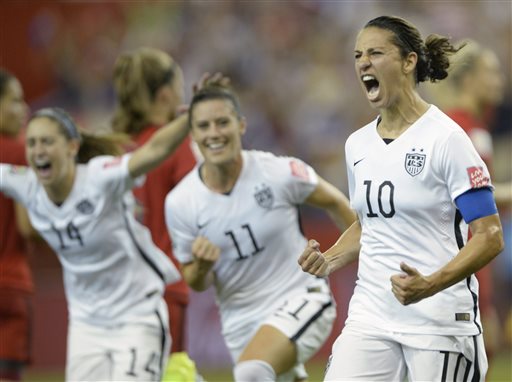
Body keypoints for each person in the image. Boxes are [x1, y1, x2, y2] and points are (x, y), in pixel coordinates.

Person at [299, 15, 504, 381]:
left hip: (438, 322)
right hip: (371, 316)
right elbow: (369, 225)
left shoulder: (448, 139)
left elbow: (489, 235)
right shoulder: (357, 145)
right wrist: (328, 260)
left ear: (409, 62)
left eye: (376, 52)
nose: (364, 61)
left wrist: (430, 284)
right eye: (359, 54)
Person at [164, 83, 356, 381]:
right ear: (193, 134)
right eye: (203, 125)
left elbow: (336, 202)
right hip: (240, 323)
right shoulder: (180, 202)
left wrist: (362, 256)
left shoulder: (278, 172)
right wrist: (201, 266)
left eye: (222, 122)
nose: (214, 133)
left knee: (251, 371)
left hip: (299, 295)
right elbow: (196, 281)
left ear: (241, 125)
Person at [0, 105, 190, 381]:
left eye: (47, 141)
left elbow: (153, 152)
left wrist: (188, 118)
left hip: (137, 315)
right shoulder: (26, 185)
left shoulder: (100, 178)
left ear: (72, 147)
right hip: (86, 325)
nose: (38, 150)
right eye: (31, 143)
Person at [111, 47, 198, 379]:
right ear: (165, 95)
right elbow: (199, 206)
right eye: (178, 85)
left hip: (117, 291)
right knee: (171, 373)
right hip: (164, 285)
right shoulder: (175, 147)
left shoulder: (114, 148)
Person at [427, 39, 511, 359]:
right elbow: (472, 197)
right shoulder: (458, 129)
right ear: (469, 78)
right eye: (491, 72)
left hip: (473, 256)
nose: (499, 80)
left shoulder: (473, 126)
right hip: (460, 257)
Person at [0, 69, 32, 381]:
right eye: (14, 100)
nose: (24, 109)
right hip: (10, 284)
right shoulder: (21, 151)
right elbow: (26, 227)